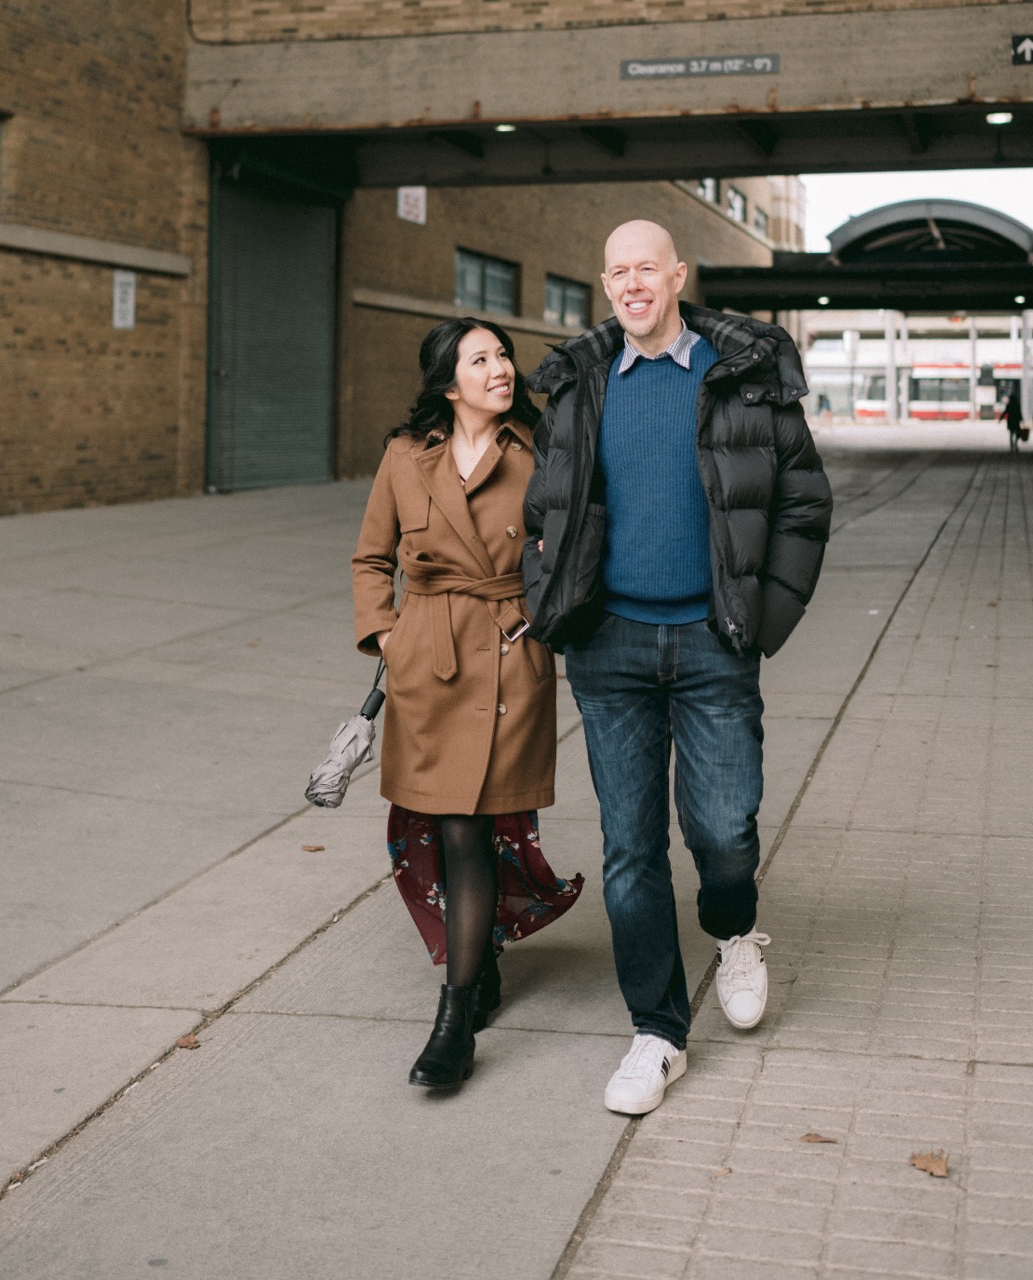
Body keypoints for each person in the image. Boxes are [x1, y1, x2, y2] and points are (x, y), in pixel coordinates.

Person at [523, 221, 832, 1117]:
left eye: (644, 269)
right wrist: (554, 602)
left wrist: (759, 618)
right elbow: (548, 504)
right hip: (609, 647)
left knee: (725, 828)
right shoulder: (581, 383)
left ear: (678, 277)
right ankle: (657, 1033)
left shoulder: (742, 370)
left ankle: (735, 930)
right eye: (614, 271)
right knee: (630, 851)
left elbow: (803, 501)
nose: (630, 285)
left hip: (712, 640)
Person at [352, 317, 582, 1093]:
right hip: (431, 662)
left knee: (479, 822)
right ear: (449, 384)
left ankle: (454, 1019)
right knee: (456, 829)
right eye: (481, 359)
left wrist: (546, 624)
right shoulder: (404, 458)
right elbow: (370, 558)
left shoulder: (541, 449)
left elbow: (578, 547)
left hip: (512, 656)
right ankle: (473, 973)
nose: (502, 368)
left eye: (504, 355)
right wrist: (386, 635)